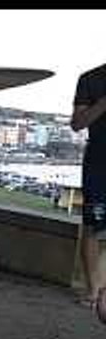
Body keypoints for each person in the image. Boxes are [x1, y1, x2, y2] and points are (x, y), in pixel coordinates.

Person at [70, 62, 106, 313]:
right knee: (93, 225)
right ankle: (93, 290)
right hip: (99, 162)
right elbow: (77, 123)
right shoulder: (91, 79)